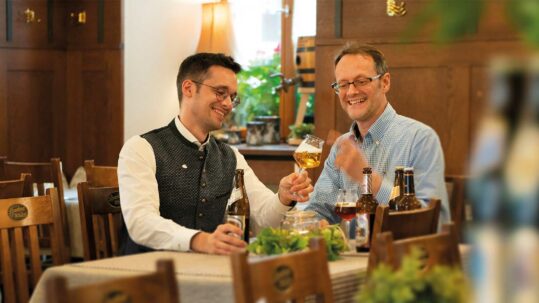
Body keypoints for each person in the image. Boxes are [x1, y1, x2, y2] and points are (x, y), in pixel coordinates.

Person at [118, 53, 313, 255]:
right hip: (147, 276)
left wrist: (283, 197)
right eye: (221, 93)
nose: (228, 104)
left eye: (232, 97)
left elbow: (264, 218)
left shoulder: (231, 156)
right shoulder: (140, 148)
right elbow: (140, 222)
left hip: (209, 275)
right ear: (189, 88)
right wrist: (199, 240)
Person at [306, 43, 449, 224]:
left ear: (385, 82)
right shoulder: (342, 146)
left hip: (402, 252)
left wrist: (369, 180)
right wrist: (291, 207)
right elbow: (319, 209)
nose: (351, 91)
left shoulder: (420, 139)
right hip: (351, 252)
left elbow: (433, 222)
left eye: (361, 81)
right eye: (343, 84)